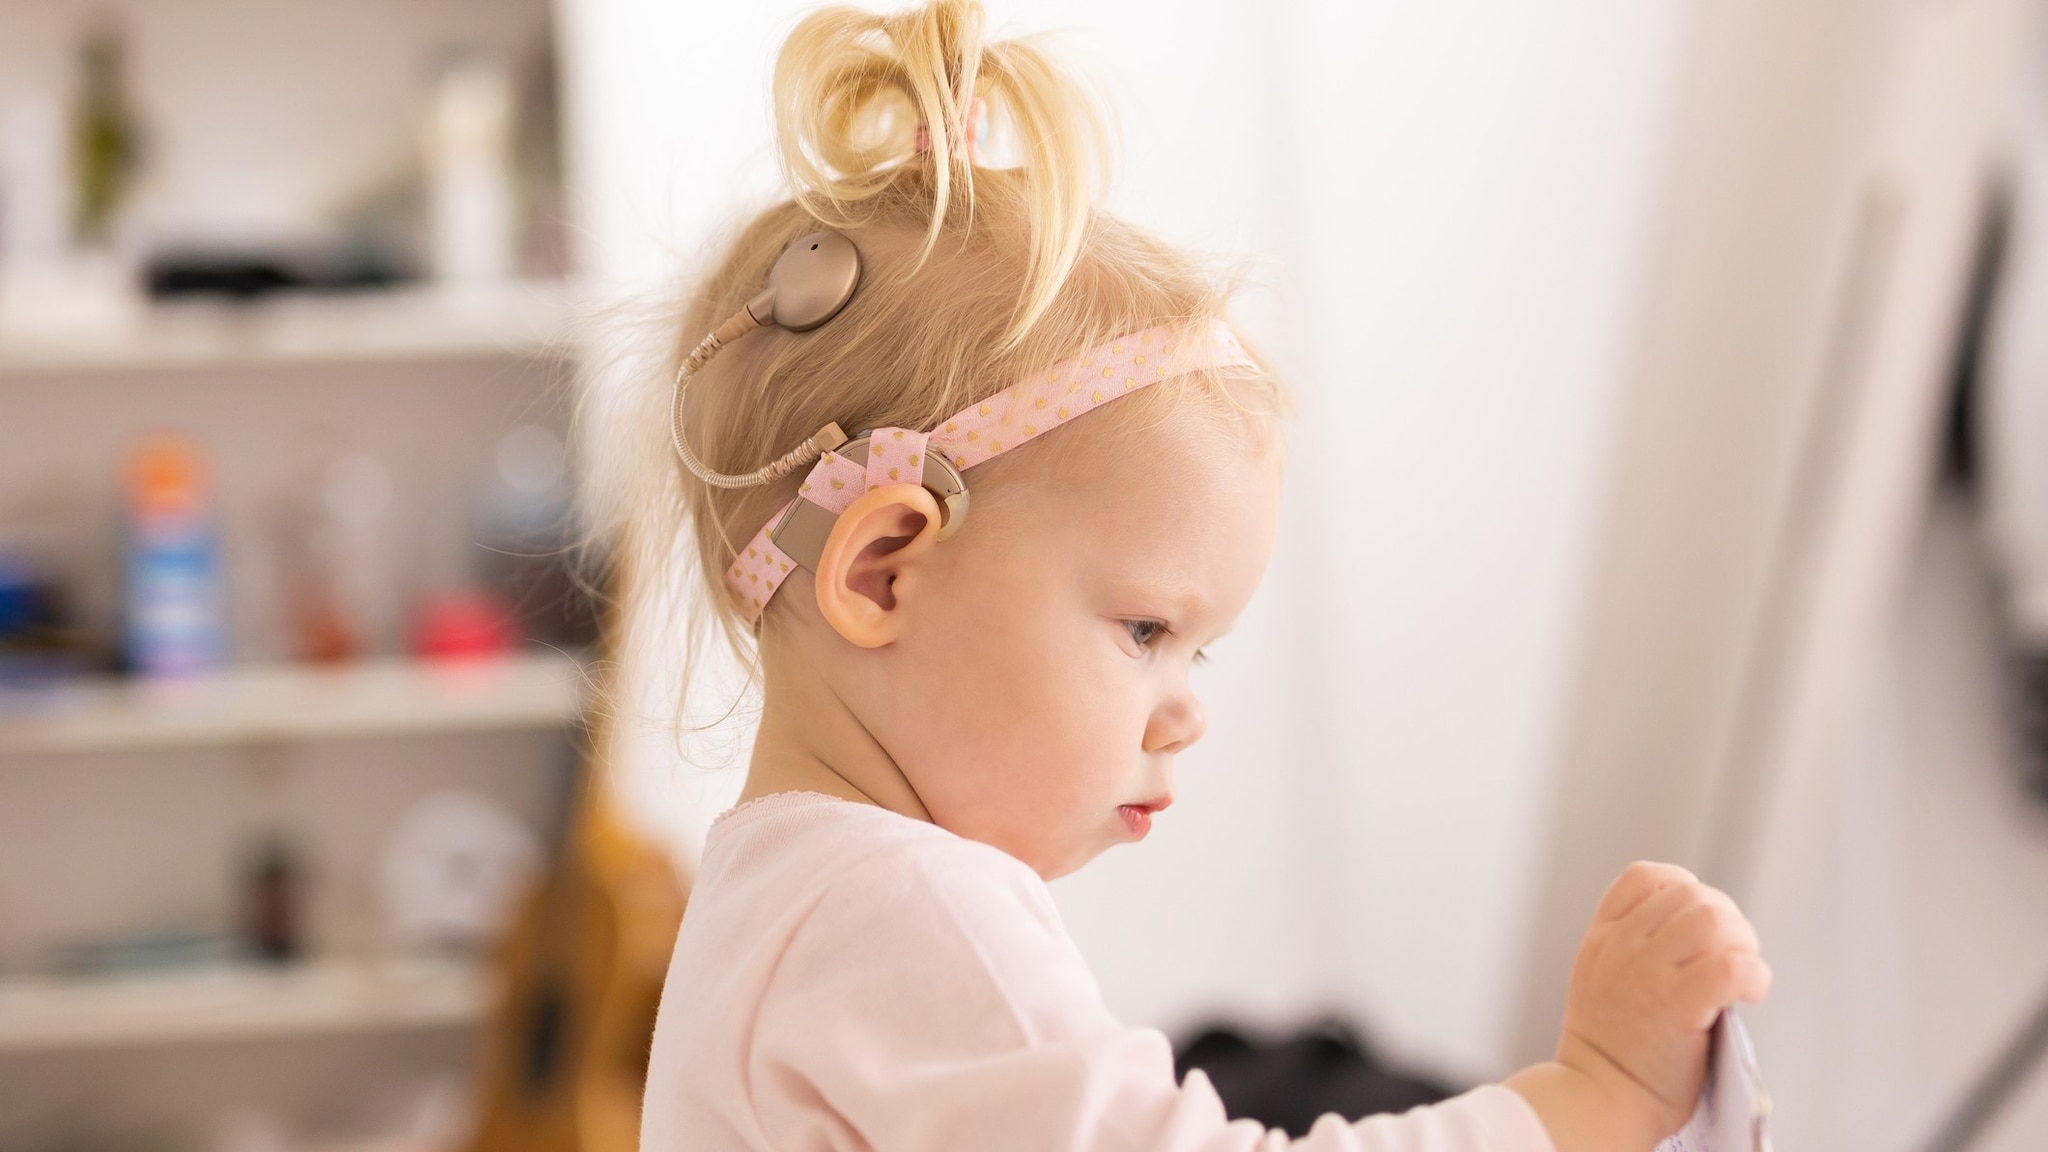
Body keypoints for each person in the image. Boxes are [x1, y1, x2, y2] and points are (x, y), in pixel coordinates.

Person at [615, 1, 1771, 1147]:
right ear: (882, 575)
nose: (1185, 712)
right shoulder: (904, 911)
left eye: (1194, 648)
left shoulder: (775, 905)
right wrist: (1589, 1097)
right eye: (1144, 630)